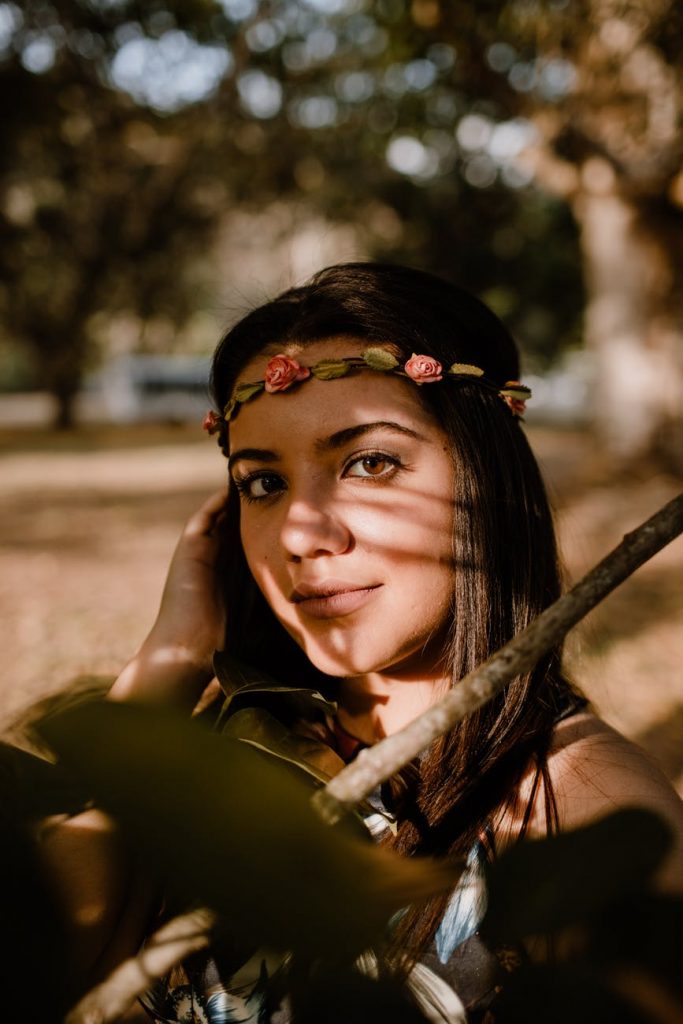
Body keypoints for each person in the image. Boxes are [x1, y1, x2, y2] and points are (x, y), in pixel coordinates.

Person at [44, 263, 683, 1022]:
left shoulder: (585, 819)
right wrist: (166, 674)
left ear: (488, 480)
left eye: (369, 463)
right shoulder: (226, 744)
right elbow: (40, 961)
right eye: (262, 483)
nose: (301, 533)